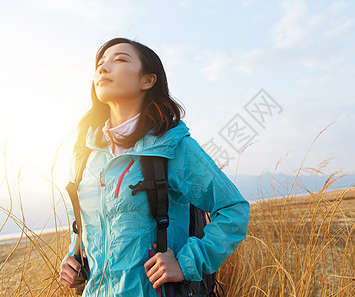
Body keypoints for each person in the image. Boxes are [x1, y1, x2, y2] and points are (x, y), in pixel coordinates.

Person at [58, 37, 250, 296]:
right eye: (100, 64)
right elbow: (81, 224)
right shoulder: (84, 155)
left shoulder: (172, 147)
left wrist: (185, 263)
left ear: (147, 80)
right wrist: (74, 258)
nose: (103, 68)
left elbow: (233, 210)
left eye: (120, 60)